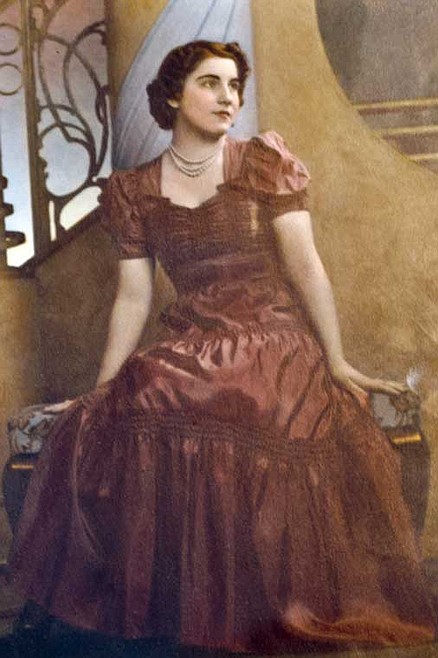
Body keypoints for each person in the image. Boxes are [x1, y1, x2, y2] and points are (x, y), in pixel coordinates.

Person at [9, 40, 436, 654]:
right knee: (146, 387)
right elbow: (133, 297)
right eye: (210, 83)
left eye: (234, 85)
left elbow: (308, 268)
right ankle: (193, 609)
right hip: (195, 340)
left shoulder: (262, 163)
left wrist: (338, 360)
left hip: (273, 336)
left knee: (241, 391)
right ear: (173, 96)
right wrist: (102, 388)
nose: (228, 97)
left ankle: (260, 610)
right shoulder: (134, 190)